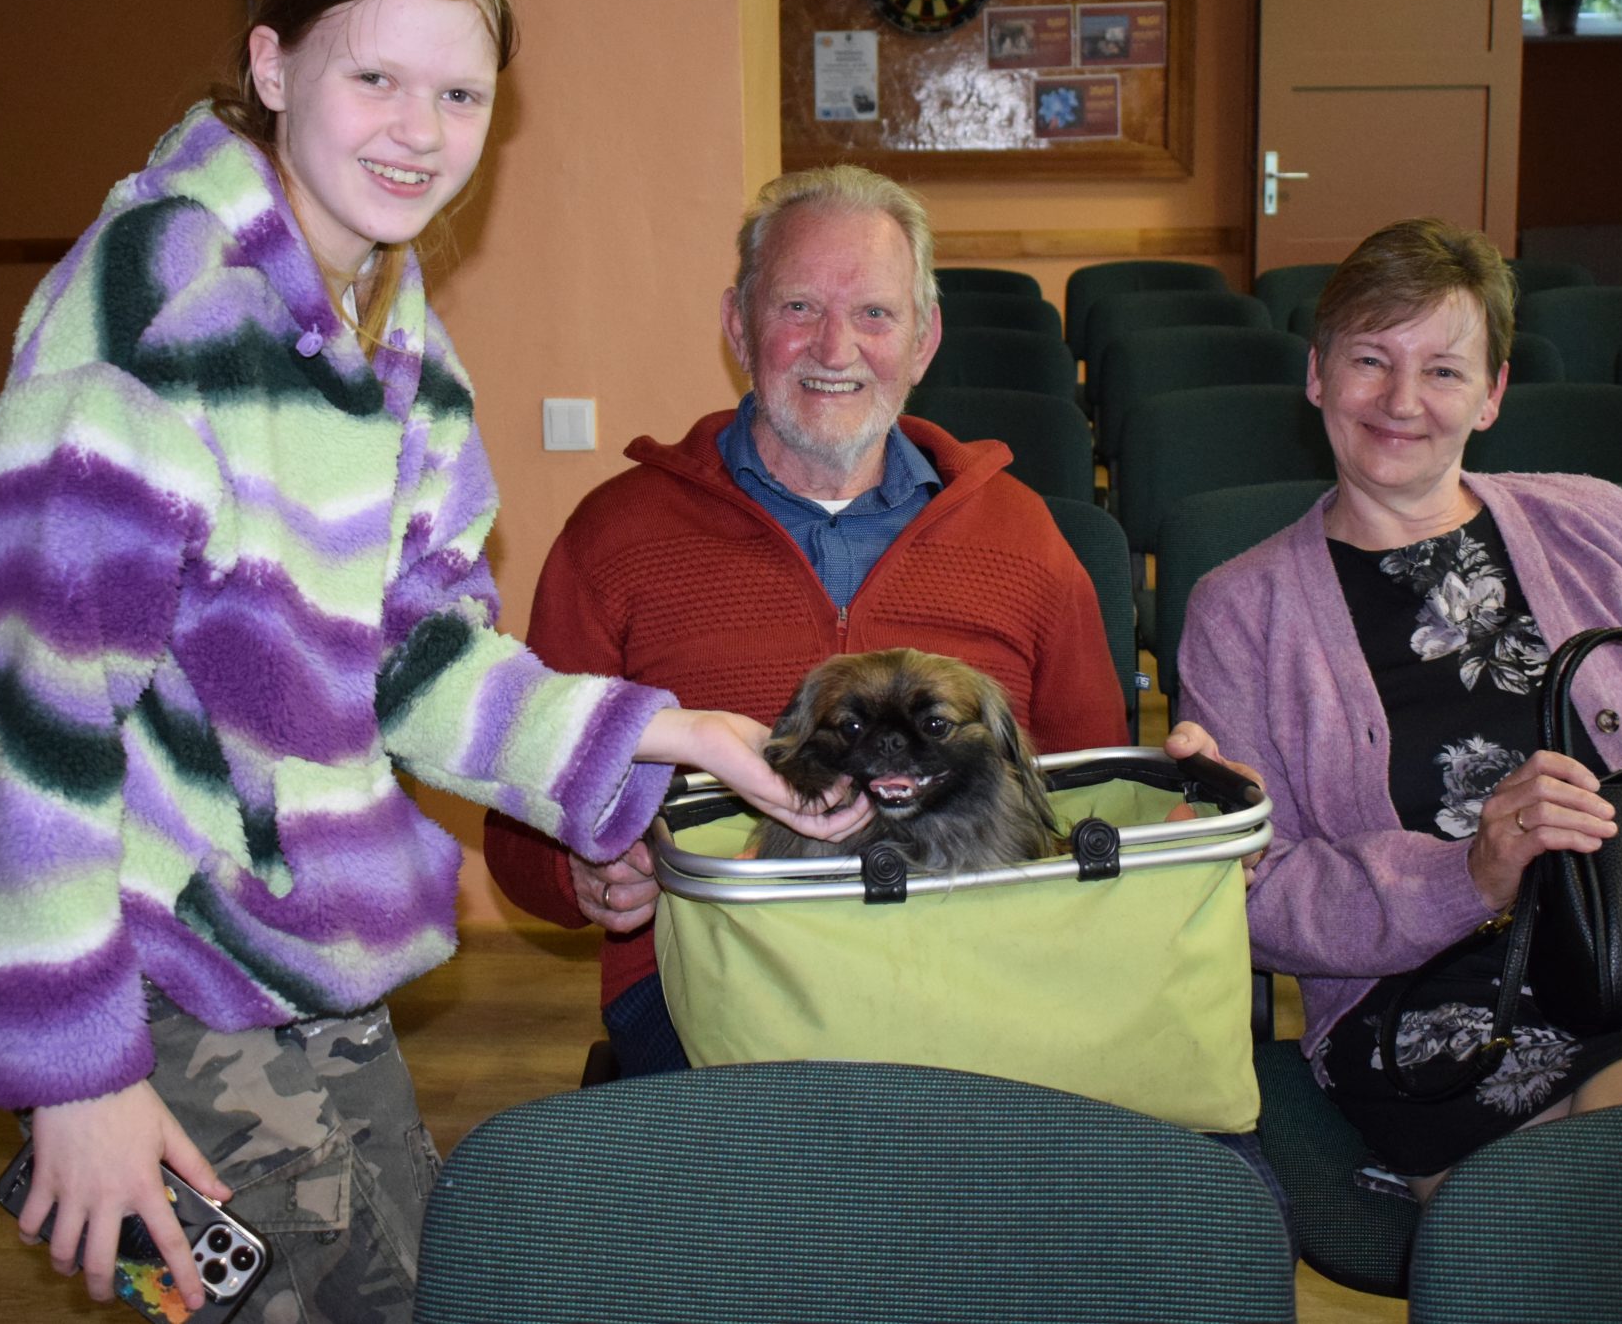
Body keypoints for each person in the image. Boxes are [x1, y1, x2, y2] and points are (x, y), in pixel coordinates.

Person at [0, 0, 862, 1322]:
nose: (418, 131)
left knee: (427, 1284)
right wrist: (74, 1073)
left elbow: (417, 658)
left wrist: (665, 734)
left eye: (459, 94)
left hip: (314, 959)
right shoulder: (155, 299)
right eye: (375, 77)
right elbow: (29, 704)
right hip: (160, 972)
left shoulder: (399, 336)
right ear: (271, 64)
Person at [1171, 217, 1622, 1198]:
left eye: (1443, 370)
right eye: (1370, 360)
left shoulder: (1599, 522)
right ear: (1317, 374)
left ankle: (1502, 1219)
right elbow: (1255, 897)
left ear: (1491, 396)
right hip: (1428, 1005)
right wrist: (1470, 875)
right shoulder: (1239, 610)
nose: (1402, 401)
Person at [481, 164, 1138, 1077]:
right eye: (798, 307)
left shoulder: (1024, 537)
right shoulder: (614, 537)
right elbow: (520, 820)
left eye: (874, 313)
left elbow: (1100, 793)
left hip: (983, 967)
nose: (836, 346)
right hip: (716, 981)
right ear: (738, 325)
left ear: (923, 338)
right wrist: (583, 870)